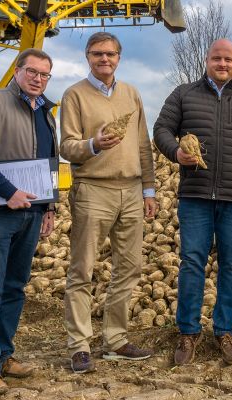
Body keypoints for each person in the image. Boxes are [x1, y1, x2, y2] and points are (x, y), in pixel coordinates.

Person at [153, 38, 232, 366]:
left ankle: (225, 330)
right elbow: (162, 129)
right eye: (216, 58)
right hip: (195, 195)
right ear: (207, 60)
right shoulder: (184, 94)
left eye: (228, 59)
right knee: (192, 262)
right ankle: (187, 332)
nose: (222, 64)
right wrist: (176, 153)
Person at [59, 32, 158, 374]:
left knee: (129, 266)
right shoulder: (75, 95)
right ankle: (79, 345)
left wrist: (149, 189)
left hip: (131, 190)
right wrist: (93, 144)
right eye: (97, 53)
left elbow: (143, 144)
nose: (104, 59)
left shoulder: (131, 93)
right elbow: (67, 147)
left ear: (119, 57)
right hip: (92, 189)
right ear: (87, 56)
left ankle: (115, 339)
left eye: (110, 54)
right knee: (82, 269)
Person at [0, 48, 57, 396]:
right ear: (18, 71)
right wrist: (8, 191)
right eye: (32, 72)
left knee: (15, 287)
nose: (38, 79)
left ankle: (4, 355)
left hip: (30, 213)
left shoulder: (47, 111)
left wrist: (49, 208)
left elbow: (50, 163)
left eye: (44, 75)